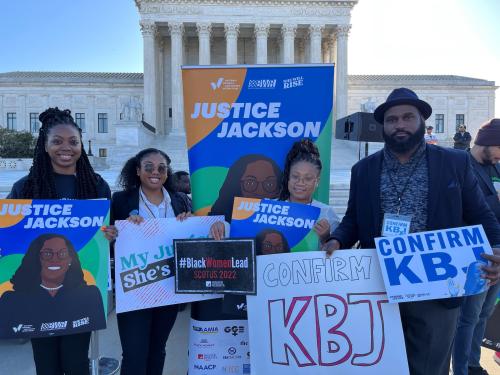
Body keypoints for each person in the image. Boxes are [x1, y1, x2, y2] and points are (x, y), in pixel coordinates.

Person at [323, 88, 500, 375]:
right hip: (379, 287)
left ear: (422, 121)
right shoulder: (363, 170)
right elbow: (353, 219)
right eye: (392, 120)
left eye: (408, 117)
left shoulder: (454, 162)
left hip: (437, 291)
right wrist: (337, 238)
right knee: (380, 366)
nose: (400, 125)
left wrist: (497, 247)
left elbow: (481, 214)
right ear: (384, 126)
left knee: (429, 369)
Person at [7, 107, 115, 375]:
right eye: (57, 141)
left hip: (79, 293)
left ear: (81, 146)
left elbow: (105, 235)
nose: (66, 148)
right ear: (44, 145)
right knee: (46, 366)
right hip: (36, 296)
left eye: (73, 142)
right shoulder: (26, 187)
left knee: (77, 364)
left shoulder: (97, 186)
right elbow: (10, 236)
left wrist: (111, 235)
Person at [111, 148, 191, 375]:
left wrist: (190, 220)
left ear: (167, 173)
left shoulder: (180, 201)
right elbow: (106, 236)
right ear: (137, 171)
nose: (155, 172)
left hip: (168, 291)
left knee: (158, 350)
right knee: (134, 354)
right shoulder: (120, 200)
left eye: (161, 168)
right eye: (148, 167)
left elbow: (192, 240)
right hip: (135, 290)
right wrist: (114, 232)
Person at [453, 118, 500, 375]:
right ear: (488, 142)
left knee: (484, 313)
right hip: (476, 252)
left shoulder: (497, 167)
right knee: (468, 316)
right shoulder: (460, 164)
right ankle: (460, 368)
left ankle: (473, 363)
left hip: (498, 252)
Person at [0, 234, 105, 337]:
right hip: (42, 342)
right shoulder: (11, 300)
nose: (55, 260)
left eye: (62, 253)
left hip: (76, 338)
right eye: (47, 254)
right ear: (36, 259)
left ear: (70, 260)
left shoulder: (90, 295)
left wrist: (105, 236)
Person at [279, 139, 340, 244]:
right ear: (288, 176)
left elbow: (337, 254)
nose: (300, 182)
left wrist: (326, 237)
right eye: (295, 176)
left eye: (308, 178)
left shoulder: (327, 213)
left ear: (317, 181)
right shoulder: (271, 208)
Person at [209, 154, 282, 222]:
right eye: (250, 183)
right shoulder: (217, 222)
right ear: (236, 187)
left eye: (269, 184)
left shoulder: (286, 219)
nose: (260, 191)